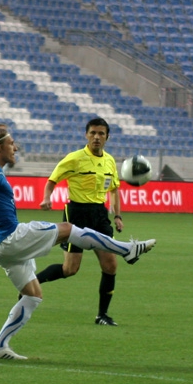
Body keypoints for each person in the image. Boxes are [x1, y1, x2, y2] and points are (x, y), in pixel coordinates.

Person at [0, 124, 155, 360]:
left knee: (33, 295)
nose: (15, 148)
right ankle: (128, 250)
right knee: (68, 229)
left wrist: (2, 253)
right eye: (11, 144)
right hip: (10, 239)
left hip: (1, 247)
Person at [36, 117, 126, 326]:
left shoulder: (110, 161)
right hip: (77, 214)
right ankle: (31, 283)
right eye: (93, 133)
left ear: (107, 137)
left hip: (99, 215)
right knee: (70, 269)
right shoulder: (74, 158)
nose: (96, 137)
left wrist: (117, 216)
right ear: (86, 135)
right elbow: (52, 180)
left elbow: (114, 190)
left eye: (101, 133)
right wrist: (47, 197)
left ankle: (102, 315)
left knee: (111, 265)